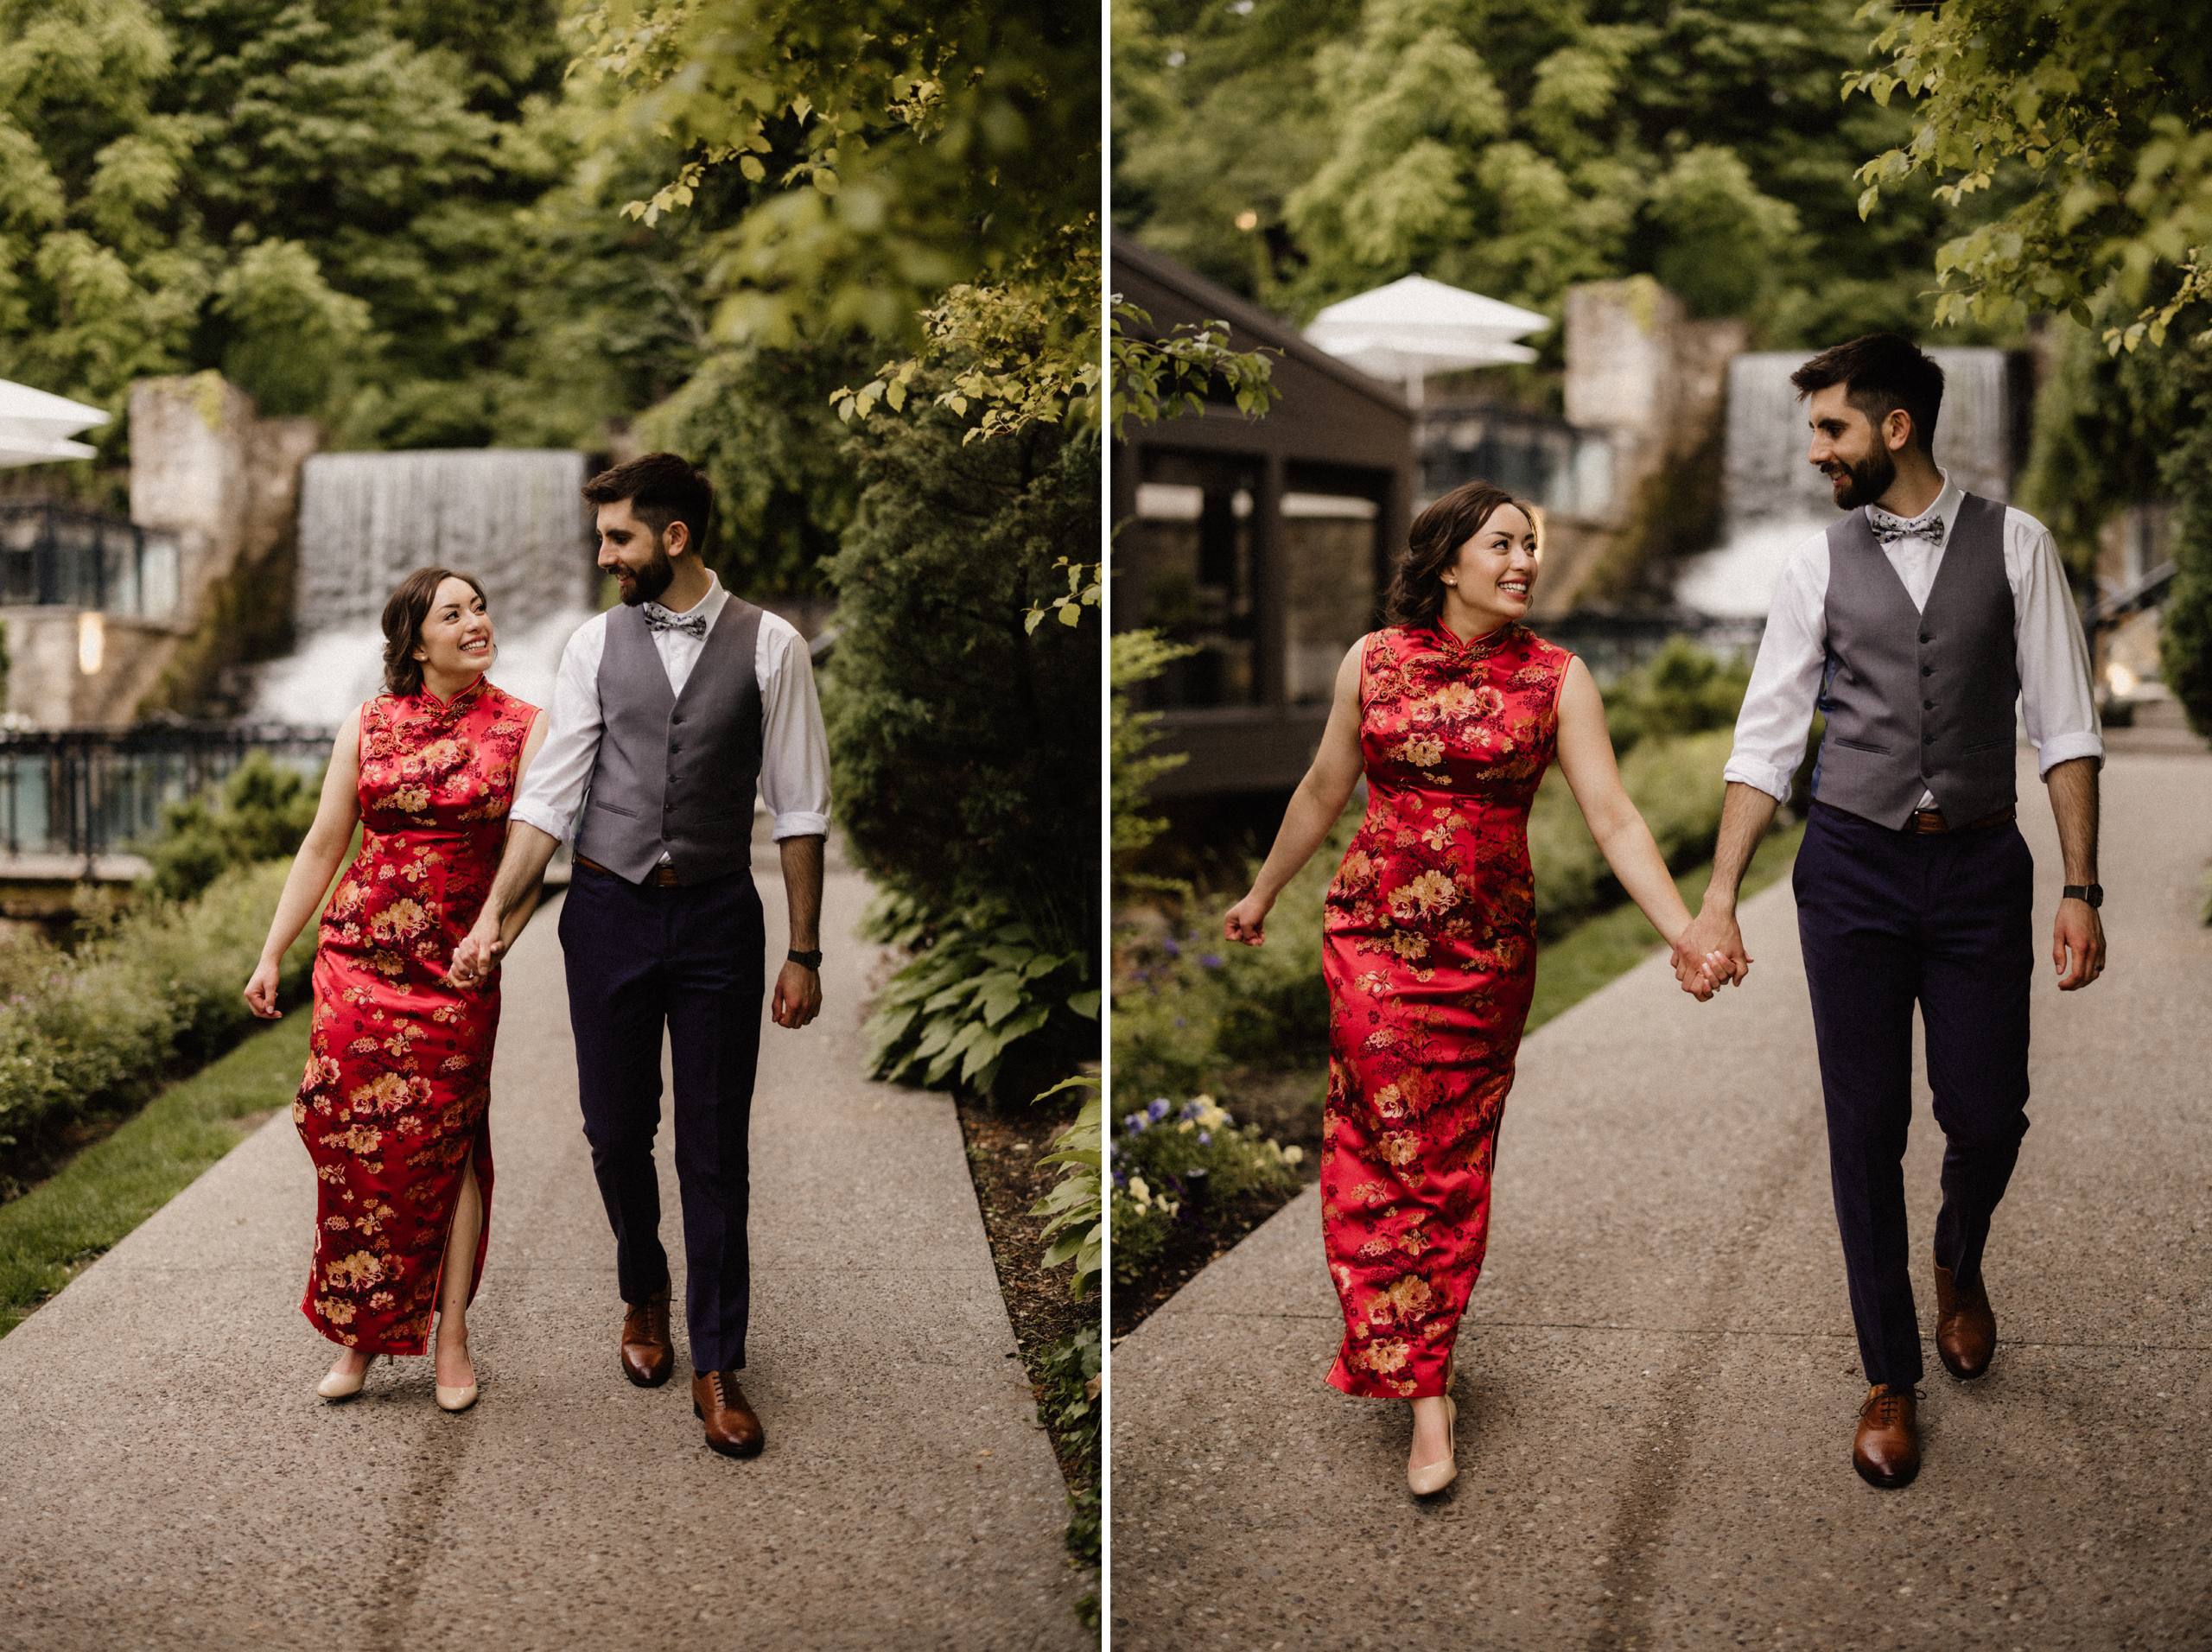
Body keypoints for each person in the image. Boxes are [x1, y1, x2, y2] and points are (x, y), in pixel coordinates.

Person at [1222, 480, 1727, 1497]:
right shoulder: (1371, 660)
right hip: (1371, 935)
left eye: (1530, 547)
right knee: (1383, 1144)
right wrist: (1262, 891)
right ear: (1448, 560)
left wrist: (1684, 930)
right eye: (1503, 544)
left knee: (1447, 1160)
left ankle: (1418, 1345)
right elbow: (1326, 786)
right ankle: (1423, 1393)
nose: (1524, 562)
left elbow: (1615, 818)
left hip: (1485, 957)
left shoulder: (1558, 678)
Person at [1672, 333, 2105, 1490]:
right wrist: (1718, 901)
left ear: (1895, 428)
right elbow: (1765, 737)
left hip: (1978, 872)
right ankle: (1889, 1374)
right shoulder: (1814, 564)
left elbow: (2064, 729)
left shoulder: (2020, 547)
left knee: (1990, 1112)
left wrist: (2081, 887)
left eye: (1831, 429)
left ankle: (1958, 1258)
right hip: (1851, 869)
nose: (1814, 451)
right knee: (1864, 1132)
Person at [449, 451, 830, 1461]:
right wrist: (494, 915)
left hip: (715, 920)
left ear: (674, 537)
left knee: (715, 1149)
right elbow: (549, 795)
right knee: (615, 1132)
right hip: (607, 914)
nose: (604, 554)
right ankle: (643, 1282)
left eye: (618, 537)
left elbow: (798, 806)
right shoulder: (589, 646)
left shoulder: (773, 645)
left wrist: (803, 950)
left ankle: (718, 1359)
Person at [245, 567, 549, 1412]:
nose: (476, 622)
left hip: (455, 973)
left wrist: (496, 944)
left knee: (444, 1149)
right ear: (416, 641)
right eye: (454, 613)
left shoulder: (526, 725)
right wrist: (274, 952)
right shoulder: (367, 722)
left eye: (480, 607)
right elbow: (322, 843)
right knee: (354, 1146)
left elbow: (533, 859)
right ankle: (361, 1335)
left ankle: (449, 1336)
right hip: (356, 960)